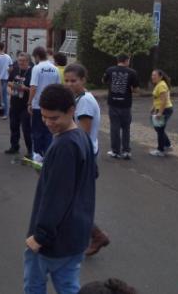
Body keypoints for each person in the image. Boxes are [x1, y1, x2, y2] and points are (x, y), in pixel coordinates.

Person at [24, 84, 96, 294]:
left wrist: (40, 236)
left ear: (71, 110)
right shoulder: (81, 136)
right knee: (68, 286)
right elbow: (91, 173)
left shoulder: (64, 145)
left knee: (34, 285)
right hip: (77, 233)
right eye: (44, 117)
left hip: (53, 239)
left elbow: (56, 197)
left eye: (54, 118)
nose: (48, 123)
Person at [64, 64, 109, 258]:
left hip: (83, 156)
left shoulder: (84, 102)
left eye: (73, 81)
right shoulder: (79, 98)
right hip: (83, 153)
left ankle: (96, 235)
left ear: (83, 80)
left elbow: (81, 134)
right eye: (66, 80)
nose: (69, 84)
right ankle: (83, 234)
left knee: (73, 200)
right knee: (72, 198)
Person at [102, 54, 139, 160]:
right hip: (126, 104)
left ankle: (116, 152)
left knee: (115, 128)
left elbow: (103, 81)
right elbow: (136, 89)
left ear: (118, 60)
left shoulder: (109, 70)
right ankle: (126, 151)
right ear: (126, 61)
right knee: (126, 128)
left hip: (113, 103)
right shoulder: (132, 72)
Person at [27, 46, 61, 162]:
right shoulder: (55, 68)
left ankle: (37, 155)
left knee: (37, 131)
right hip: (51, 105)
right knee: (49, 131)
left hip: (38, 105)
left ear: (37, 56)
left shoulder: (37, 68)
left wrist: (29, 102)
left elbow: (33, 87)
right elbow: (58, 87)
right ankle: (48, 155)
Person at [6, 52, 32, 157]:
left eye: (23, 60)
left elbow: (33, 88)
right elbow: (8, 82)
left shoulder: (31, 72)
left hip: (25, 105)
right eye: (19, 60)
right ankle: (14, 146)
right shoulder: (15, 70)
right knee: (13, 126)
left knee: (26, 129)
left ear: (28, 61)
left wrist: (24, 88)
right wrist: (11, 89)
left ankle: (30, 150)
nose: (21, 62)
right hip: (14, 102)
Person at [149, 69, 173, 157]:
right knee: (159, 129)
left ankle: (160, 150)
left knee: (160, 130)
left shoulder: (162, 85)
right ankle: (167, 145)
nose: (152, 77)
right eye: (152, 75)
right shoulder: (159, 84)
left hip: (165, 109)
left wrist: (160, 113)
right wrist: (153, 107)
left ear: (160, 76)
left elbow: (164, 100)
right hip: (161, 109)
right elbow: (157, 98)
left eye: (154, 75)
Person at [0, 42, 13, 119]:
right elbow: (11, 68)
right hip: (5, 79)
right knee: (4, 96)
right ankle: (5, 113)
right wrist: (7, 72)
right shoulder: (8, 57)